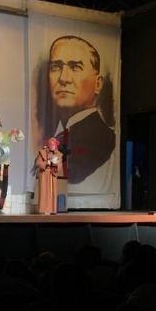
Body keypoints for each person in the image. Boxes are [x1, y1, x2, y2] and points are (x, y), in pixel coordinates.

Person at [47, 35, 116, 193]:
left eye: (75, 67)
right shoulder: (62, 134)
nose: (64, 78)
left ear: (98, 84)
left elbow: (73, 177)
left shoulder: (102, 139)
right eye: (56, 67)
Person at [33, 137, 63, 214]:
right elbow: (38, 163)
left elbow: (60, 166)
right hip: (44, 174)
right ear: (49, 145)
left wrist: (55, 164)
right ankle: (43, 209)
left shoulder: (58, 154)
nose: (53, 146)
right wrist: (46, 163)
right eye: (51, 145)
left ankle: (52, 209)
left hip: (52, 174)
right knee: (44, 191)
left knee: (52, 192)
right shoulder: (43, 152)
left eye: (54, 145)